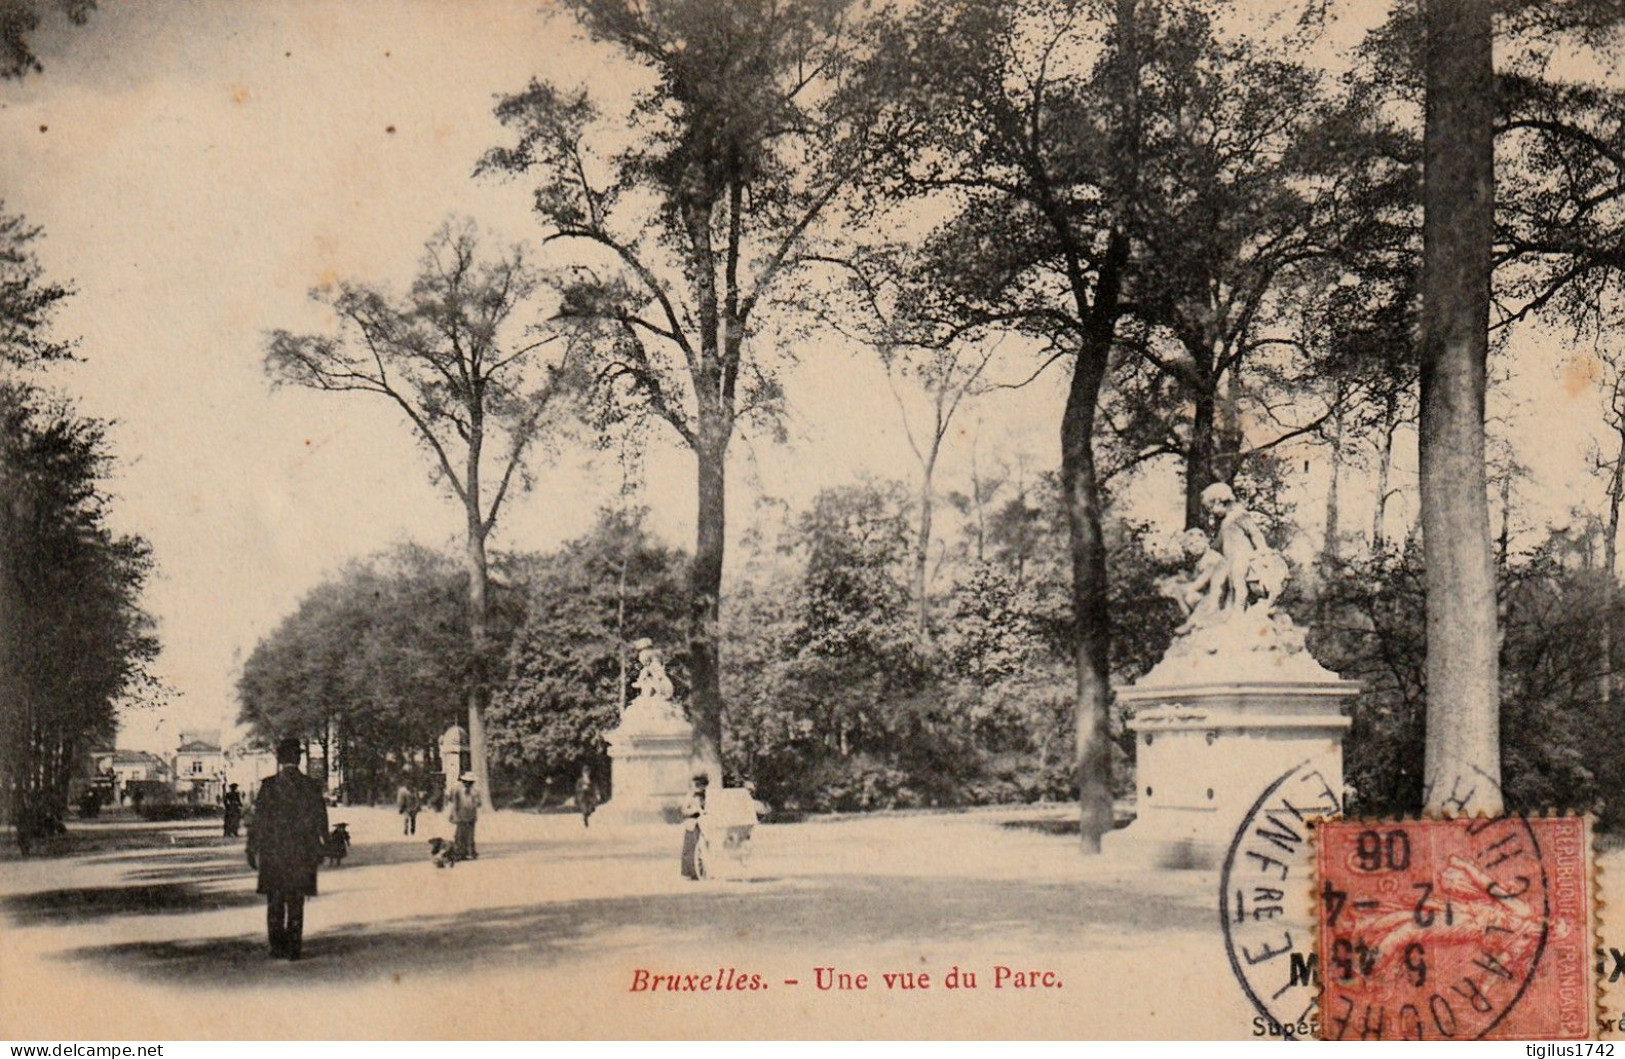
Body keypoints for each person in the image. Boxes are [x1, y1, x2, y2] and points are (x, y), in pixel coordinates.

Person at [246, 738, 328, 961]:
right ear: (298, 758)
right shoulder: (311, 786)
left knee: (275, 900)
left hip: (273, 852)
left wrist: (251, 848)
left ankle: (277, 946)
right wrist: (324, 844)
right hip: (302, 852)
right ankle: (294, 947)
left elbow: (258, 821)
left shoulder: (269, 786)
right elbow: (321, 818)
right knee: (296, 899)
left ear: (280, 759)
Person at [679, 773, 708, 880]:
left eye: (703, 785)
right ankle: (689, 872)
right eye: (698, 785)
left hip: (705, 822)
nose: (701, 788)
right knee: (691, 847)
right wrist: (695, 811)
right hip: (693, 822)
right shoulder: (690, 796)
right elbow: (684, 810)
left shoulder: (708, 796)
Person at [448, 771, 480, 860]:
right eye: (467, 781)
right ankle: (459, 852)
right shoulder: (457, 789)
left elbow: (478, 802)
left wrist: (475, 802)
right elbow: (453, 801)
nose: (468, 784)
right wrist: (454, 814)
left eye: (470, 782)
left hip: (471, 815)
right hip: (460, 814)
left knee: (470, 834)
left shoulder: (475, 791)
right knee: (460, 834)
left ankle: (469, 851)